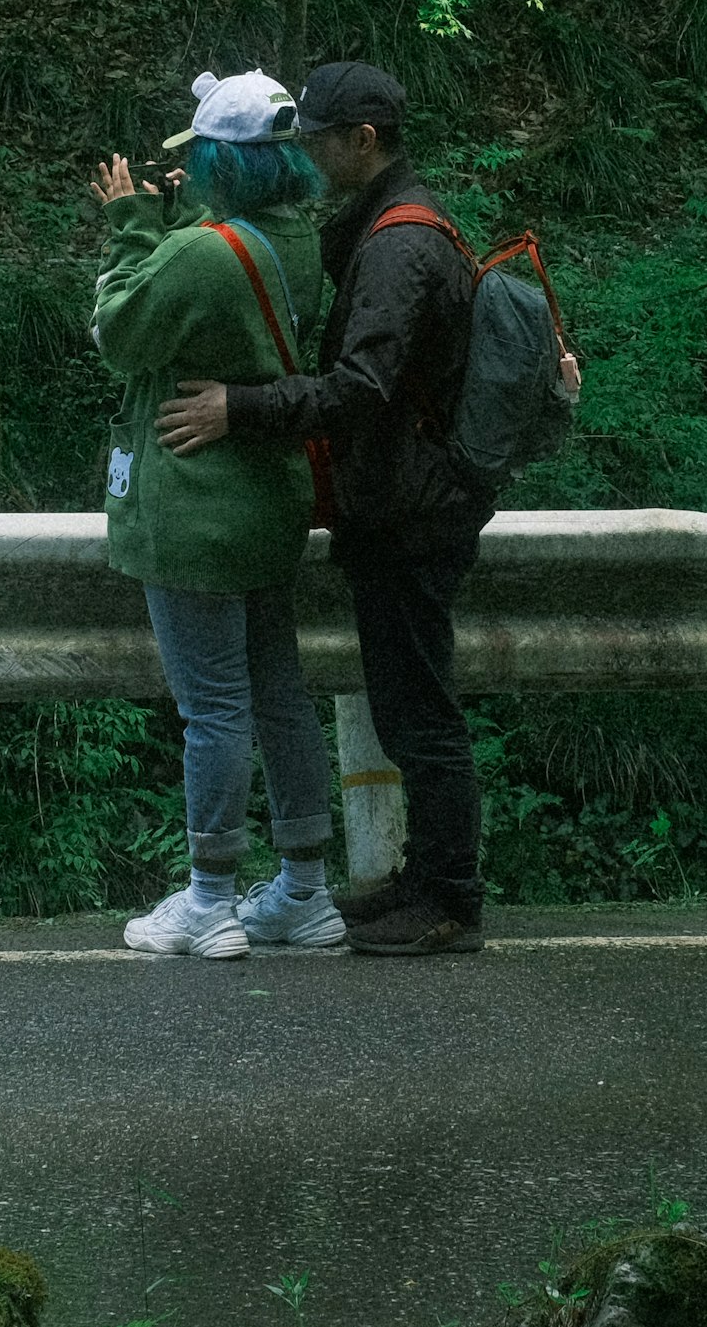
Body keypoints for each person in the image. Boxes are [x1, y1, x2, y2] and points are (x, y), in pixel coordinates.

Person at [155, 59, 494, 956]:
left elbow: (361, 388)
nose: (305, 155)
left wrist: (243, 406)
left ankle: (449, 895)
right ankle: (422, 880)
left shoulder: (397, 246)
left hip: (415, 510)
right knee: (403, 700)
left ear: (363, 142)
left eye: (317, 140)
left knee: (421, 711)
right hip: (404, 501)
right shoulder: (382, 226)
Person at [88, 68, 346, 960]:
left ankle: (209, 899)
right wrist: (172, 231)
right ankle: (304, 892)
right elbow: (210, 292)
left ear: (218, 161)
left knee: (215, 710)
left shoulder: (198, 253)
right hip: (269, 501)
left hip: (195, 505)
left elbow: (120, 335)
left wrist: (130, 230)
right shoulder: (294, 239)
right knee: (280, 697)